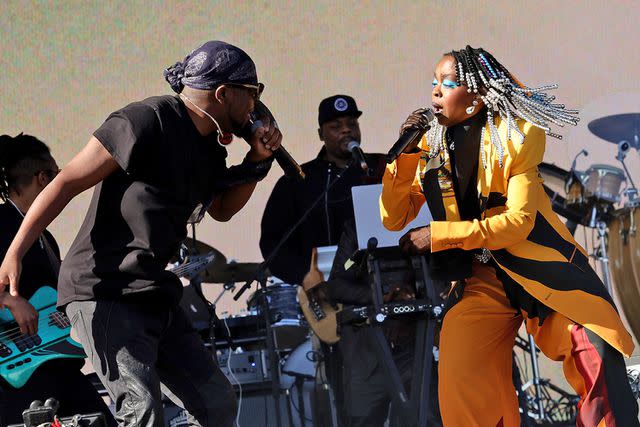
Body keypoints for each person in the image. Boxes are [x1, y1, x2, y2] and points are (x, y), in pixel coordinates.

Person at [0, 41, 281, 426]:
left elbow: (222, 210)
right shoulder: (146, 119)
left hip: (154, 293)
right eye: (252, 94)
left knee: (216, 404)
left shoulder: (210, 148)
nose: (255, 106)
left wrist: (257, 162)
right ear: (223, 93)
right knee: (142, 409)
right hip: (105, 290)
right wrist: (16, 249)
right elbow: (66, 181)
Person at [380, 46, 639, 426]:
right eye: (433, 83)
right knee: (461, 373)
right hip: (480, 280)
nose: (435, 92)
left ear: (478, 96)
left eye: (447, 84)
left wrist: (442, 236)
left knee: (590, 348)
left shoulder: (516, 134)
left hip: (538, 267)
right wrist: (401, 157)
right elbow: (393, 216)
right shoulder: (427, 146)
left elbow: (517, 222)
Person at [0, 133, 115, 426]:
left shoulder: (45, 237)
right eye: (58, 175)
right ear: (43, 178)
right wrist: (9, 300)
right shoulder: (1, 221)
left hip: (56, 360)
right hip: (17, 371)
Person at [318, 218, 442, 427]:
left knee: (427, 415)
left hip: (412, 344)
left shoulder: (422, 223)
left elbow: (440, 277)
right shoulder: (357, 229)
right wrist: (382, 297)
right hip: (366, 350)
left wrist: (419, 293)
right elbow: (337, 284)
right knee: (363, 419)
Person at [259, 94, 386, 286]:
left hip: (382, 283)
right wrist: (303, 276)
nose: (346, 129)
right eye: (335, 126)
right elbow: (273, 243)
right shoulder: (297, 180)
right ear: (321, 134)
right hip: (323, 291)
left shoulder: (383, 168)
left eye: (352, 123)